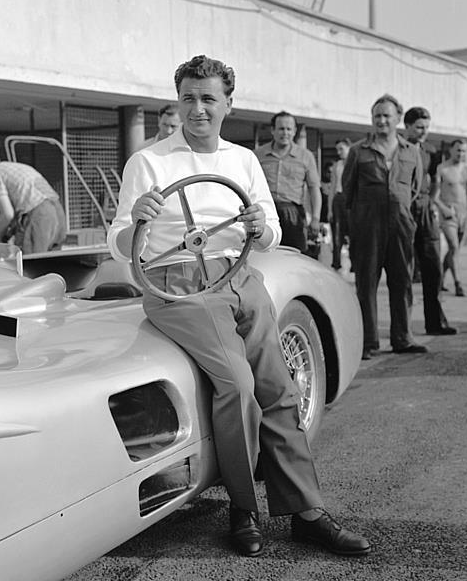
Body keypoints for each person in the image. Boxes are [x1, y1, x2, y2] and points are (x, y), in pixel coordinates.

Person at [107, 54, 370, 559]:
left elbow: (270, 233)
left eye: (208, 99)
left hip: (238, 275)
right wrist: (135, 222)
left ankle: (307, 512)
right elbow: (120, 243)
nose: (197, 109)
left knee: (278, 386)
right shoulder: (149, 162)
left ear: (228, 103)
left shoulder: (243, 161)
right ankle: (243, 509)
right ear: (177, 101)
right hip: (177, 286)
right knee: (239, 385)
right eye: (188, 98)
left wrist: (257, 226)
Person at [342, 94, 427, 360]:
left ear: (398, 119)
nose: (381, 120)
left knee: (402, 281)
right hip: (368, 226)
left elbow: (414, 188)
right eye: (377, 116)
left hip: (401, 225)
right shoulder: (359, 150)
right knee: (366, 283)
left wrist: (399, 210)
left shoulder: (411, 152)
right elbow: (348, 190)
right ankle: (368, 342)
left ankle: (402, 338)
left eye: (386, 116)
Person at [403, 106, 457, 335]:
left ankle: (435, 322)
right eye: (419, 127)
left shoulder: (430, 150)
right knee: (403, 271)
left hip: (425, 209)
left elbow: (435, 179)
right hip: (404, 210)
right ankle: (403, 330)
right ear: (407, 127)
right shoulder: (399, 148)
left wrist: (432, 202)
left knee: (433, 267)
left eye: (426, 127)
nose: (424, 131)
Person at [0, 151, 66, 254]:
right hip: (58, 212)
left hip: (40, 214)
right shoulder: (17, 167)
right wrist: (9, 233)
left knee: (32, 264)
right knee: (53, 263)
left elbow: (7, 213)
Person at [255, 111, 322, 253]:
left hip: (293, 214)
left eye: (289, 129)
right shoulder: (257, 155)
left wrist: (316, 218)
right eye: (281, 128)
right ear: (273, 130)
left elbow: (314, 188)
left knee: (294, 254)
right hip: (266, 212)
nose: (285, 133)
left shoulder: (306, 156)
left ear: (295, 131)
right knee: (263, 254)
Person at [435, 139, 467, 296]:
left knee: (453, 251)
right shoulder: (442, 169)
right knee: (454, 247)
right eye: (458, 150)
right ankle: (458, 283)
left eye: (464, 151)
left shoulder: (465, 168)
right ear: (451, 150)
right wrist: (444, 209)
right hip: (449, 213)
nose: (461, 154)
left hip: (463, 214)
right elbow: (434, 196)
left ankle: (439, 280)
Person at [328, 139, 351, 271]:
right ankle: (336, 262)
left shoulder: (355, 164)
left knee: (354, 232)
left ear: (349, 148)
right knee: (337, 232)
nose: (339, 152)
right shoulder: (337, 165)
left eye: (341, 149)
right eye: (337, 149)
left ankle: (355, 262)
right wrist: (330, 209)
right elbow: (332, 188)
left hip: (351, 199)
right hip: (339, 198)